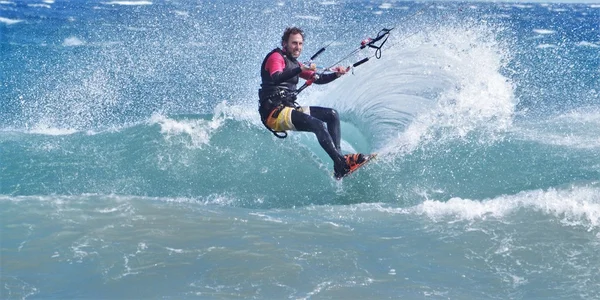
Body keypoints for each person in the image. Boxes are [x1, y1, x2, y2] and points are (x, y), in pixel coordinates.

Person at [258, 26, 366, 179]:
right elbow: (277, 77)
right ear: (284, 44)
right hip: (274, 113)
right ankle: (341, 162)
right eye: (294, 43)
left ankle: (339, 163)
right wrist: (300, 68)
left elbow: (319, 79)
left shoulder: (294, 64)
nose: (298, 47)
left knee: (331, 115)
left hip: (288, 109)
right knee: (318, 124)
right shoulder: (276, 58)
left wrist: (336, 74)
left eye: (301, 44)